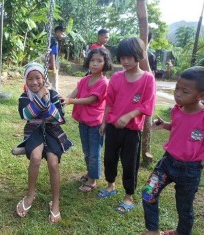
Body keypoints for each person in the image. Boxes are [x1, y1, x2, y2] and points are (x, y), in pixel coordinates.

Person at [140, 66, 204, 235]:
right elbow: (178, 128)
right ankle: (152, 230)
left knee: (184, 208)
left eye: (185, 91)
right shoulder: (177, 109)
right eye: (177, 88)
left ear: (201, 96)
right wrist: (165, 125)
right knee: (148, 193)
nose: (178, 94)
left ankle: (181, 232)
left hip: (190, 170)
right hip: (167, 162)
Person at [97, 37, 156, 214]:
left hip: (132, 131)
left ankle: (128, 196)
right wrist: (104, 121)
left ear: (139, 55)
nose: (126, 61)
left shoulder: (147, 79)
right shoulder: (116, 77)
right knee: (109, 158)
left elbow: (148, 104)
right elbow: (109, 102)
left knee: (130, 163)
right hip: (113, 127)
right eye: (122, 57)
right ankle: (110, 185)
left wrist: (129, 115)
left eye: (130, 57)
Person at [15, 63, 73, 223]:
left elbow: (59, 118)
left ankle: (55, 203)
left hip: (53, 130)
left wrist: (45, 99)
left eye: (38, 78)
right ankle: (30, 196)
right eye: (30, 79)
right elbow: (28, 115)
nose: (34, 82)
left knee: (53, 162)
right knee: (35, 157)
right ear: (26, 81)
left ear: (43, 78)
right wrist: (41, 98)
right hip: (34, 130)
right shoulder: (24, 97)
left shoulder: (53, 94)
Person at [61, 48, 112, 192]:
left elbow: (91, 100)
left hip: (96, 123)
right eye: (92, 60)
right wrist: (66, 99)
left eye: (99, 61)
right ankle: (90, 172)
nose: (95, 64)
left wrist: (71, 100)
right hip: (83, 121)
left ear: (105, 63)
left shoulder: (104, 83)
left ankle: (93, 179)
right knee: (86, 150)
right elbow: (76, 91)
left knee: (94, 152)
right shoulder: (85, 79)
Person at [49, 26, 65, 91]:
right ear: (57, 32)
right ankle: (54, 98)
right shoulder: (55, 42)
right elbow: (52, 54)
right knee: (54, 84)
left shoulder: (52, 40)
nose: (63, 34)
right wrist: (54, 68)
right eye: (62, 33)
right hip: (52, 66)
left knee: (48, 82)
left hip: (49, 65)